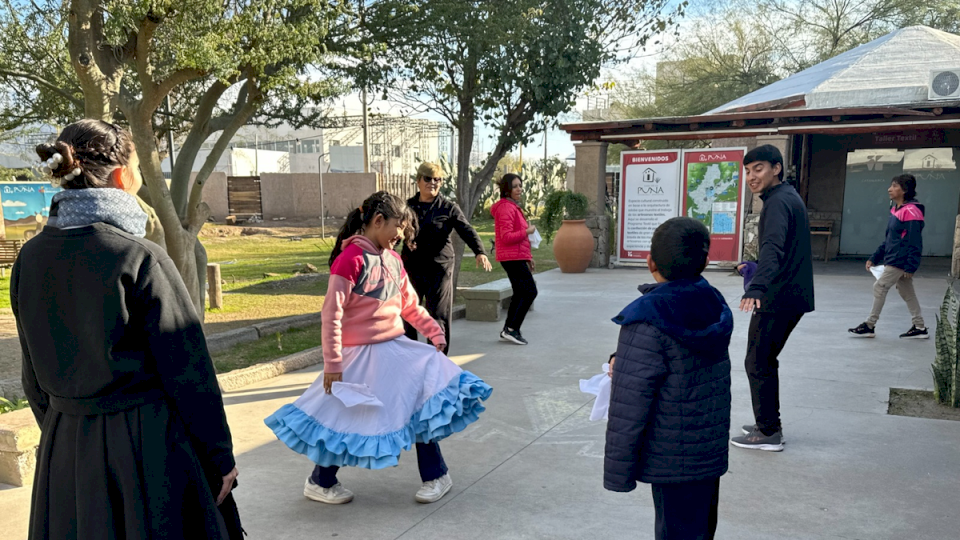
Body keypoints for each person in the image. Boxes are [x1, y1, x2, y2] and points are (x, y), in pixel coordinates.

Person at [14, 119, 241, 539]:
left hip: (66, 450)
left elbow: (33, 376)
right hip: (147, 449)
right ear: (122, 175)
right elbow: (189, 373)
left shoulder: (30, 257)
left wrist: (69, 435)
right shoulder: (138, 256)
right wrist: (219, 457)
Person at [265, 191, 492, 505]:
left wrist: (433, 331)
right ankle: (321, 481)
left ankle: (436, 474)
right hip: (358, 357)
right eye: (398, 227)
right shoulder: (350, 260)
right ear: (377, 220)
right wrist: (333, 363)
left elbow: (410, 306)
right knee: (341, 417)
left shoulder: (393, 259)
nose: (401, 235)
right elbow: (332, 315)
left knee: (421, 405)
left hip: (396, 350)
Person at [605, 217, 732, 540]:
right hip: (706, 450)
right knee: (700, 529)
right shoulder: (712, 302)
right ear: (705, 261)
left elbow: (630, 402)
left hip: (671, 456)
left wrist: (618, 472)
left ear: (650, 261)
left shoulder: (646, 318)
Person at [730, 144, 814, 452]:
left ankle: (767, 433)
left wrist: (757, 286)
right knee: (763, 359)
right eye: (748, 171)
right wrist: (752, 270)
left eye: (759, 169)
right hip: (788, 294)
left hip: (779, 297)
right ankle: (768, 424)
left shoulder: (779, 202)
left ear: (776, 168)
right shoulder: (786, 198)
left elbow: (773, 248)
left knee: (757, 360)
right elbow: (784, 250)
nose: (752, 176)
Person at [402, 162, 492, 354]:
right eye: (428, 178)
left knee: (438, 314)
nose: (432, 183)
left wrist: (480, 252)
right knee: (408, 312)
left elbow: (466, 230)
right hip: (412, 268)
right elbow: (394, 231)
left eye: (437, 179)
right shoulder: (407, 207)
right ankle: (410, 355)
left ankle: (438, 358)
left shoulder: (448, 208)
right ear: (418, 181)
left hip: (439, 269)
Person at [848, 174, 927, 339]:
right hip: (893, 256)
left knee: (880, 287)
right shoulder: (896, 210)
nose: (889, 189)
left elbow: (914, 240)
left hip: (899, 259)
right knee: (907, 292)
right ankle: (919, 327)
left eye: (894, 186)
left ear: (905, 190)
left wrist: (911, 265)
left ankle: (870, 325)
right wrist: (875, 257)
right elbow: (890, 239)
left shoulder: (912, 211)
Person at [491, 173, 538, 345]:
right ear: (507, 189)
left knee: (520, 292)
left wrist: (528, 257)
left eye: (520, 185)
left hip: (516, 256)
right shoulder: (505, 208)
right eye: (515, 186)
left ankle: (509, 329)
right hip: (511, 257)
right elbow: (506, 237)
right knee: (530, 291)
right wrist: (527, 231)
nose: (519, 189)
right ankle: (512, 329)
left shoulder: (512, 206)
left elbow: (518, 240)